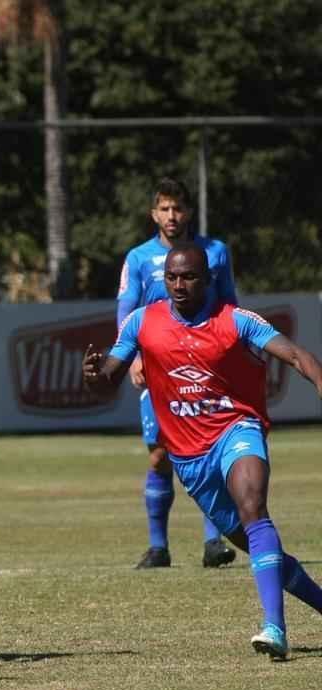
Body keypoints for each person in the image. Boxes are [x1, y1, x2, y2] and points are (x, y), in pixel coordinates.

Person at [85, 242, 322, 660]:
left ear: (209, 279)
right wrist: (93, 375)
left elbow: (298, 355)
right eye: (171, 277)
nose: (178, 284)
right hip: (189, 457)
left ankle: (275, 628)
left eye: (189, 276)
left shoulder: (236, 320)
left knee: (253, 507)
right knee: (254, 544)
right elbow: (109, 376)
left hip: (237, 429)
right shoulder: (142, 322)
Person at [117, 178, 238, 570]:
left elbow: (230, 303)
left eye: (179, 208)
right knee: (159, 455)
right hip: (158, 367)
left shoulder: (216, 252)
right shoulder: (138, 259)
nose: (173, 216)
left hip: (207, 364)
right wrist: (132, 356)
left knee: (210, 448)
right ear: (154, 214)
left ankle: (212, 542)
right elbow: (127, 312)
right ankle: (158, 547)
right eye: (165, 209)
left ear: (189, 212)